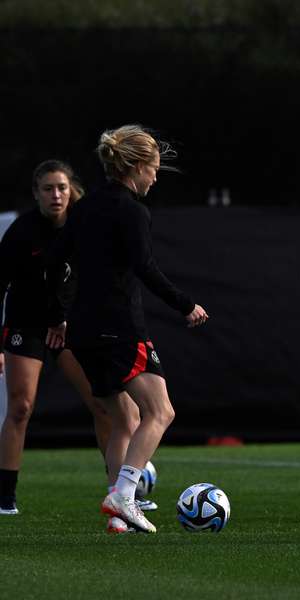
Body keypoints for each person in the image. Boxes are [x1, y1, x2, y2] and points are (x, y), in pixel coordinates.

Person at [46, 125, 209, 533]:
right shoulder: (132, 210)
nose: (155, 178)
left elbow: (54, 263)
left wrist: (58, 314)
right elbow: (144, 267)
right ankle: (123, 495)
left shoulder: (82, 208)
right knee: (161, 410)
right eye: (153, 169)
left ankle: (120, 515)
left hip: (82, 332)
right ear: (134, 167)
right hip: (118, 328)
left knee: (125, 419)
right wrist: (185, 305)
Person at [0, 160, 123, 516]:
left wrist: (74, 318)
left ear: (72, 191)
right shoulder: (23, 231)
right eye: (48, 189)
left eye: (62, 188)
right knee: (20, 408)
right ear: (36, 193)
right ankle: (5, 496)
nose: (56, 195)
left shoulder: (84, 223)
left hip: (70, 327)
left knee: (103, 403)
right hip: (28, 325)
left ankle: (120, 491)